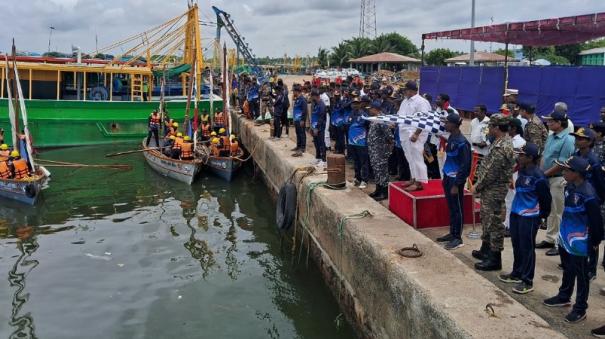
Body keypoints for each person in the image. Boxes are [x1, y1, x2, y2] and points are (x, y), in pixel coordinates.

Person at [543, 156, 602, 324]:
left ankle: (580, 308)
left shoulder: (588, 195)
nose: (564, 172)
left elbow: (596, 222)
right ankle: (564, 295)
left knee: (582, 275)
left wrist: (594, 243)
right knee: (568, 269)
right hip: (565, 236)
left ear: (578, 173)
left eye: (567, 170)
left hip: (580, 242)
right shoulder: (569, 186)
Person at [498, 143, 552, 294]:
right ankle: (517, 273)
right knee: (516, 244)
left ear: (530, 158)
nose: (518, 157)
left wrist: (541, 217)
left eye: (522, 155)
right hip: (516, 213)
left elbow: (546, 200)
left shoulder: (539, 177)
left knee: (527, 248)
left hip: (529, 217)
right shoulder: (521, 170)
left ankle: (527, 280)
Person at [471, 114, 515, 271]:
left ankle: (495, 258)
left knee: (494, 223)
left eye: (491, 126)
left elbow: (491, 172)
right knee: (486, 219)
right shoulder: (499, 142)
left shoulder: (502, 146)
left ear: (497, 128)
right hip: (490, 189)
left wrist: (477, 186)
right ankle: (485, 250)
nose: (488, 129)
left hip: (494, 189)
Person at [536, 109, 576, 256]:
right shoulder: (552, 136)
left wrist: (543, 175)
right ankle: (550, 238)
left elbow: (562, 163)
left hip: (558, 178)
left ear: (560, 123)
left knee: (559, 211)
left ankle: (560, 244)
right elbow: (545, 156)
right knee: (551, 210)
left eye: (551, 121)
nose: (548, 123)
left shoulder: (568, 139)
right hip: (547, 177)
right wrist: (541, 173)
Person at [570, 127, 605, 280]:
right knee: (578, 232)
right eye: (576, 137)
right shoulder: (575, 156)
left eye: (581, 138)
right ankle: (577, 260)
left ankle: (591, 269)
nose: (577, 140)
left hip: (590, 201)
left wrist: (597, 203)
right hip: (576, 199)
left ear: (590, 142)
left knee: (591, 235)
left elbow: (600, 185)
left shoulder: (594, 161)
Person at [436, 112, 471, 250]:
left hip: (456, 180)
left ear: (454, 125)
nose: (445, 125)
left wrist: (457, 184)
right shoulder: (451, 137)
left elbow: (465, 166)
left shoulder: (462, 143)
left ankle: (458, 238)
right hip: (448, 177)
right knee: (451, 207)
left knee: (457, 209)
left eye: (447, 123)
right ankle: (452, 233)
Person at [396, 81, 432, 190]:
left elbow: (425, 119)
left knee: (417, 158)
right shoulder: (404, 101)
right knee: (410, 157)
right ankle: (413, 178)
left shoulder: (421, 102)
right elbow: (400, 115)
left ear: (411, 90)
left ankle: (419, 183)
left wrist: (416, 134)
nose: (403, 92)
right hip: (404, 133)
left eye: (405, 90)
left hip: (415, 134)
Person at [367, 101, 394, 201]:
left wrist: (388, 149)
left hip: (380, 150)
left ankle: (384, 192)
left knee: (382, 171)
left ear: (375, 109)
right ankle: (378, 189)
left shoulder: (382, 119)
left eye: (370, 108)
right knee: (376, 170)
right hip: (374, 150)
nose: (369, 110)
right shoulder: (375, 119)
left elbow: (389, 136)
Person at [504, 118, 527, 230]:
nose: (507, 128)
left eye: (509, 126)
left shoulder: (520, 142)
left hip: (514, 174)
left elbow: (519, 161)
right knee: (508, 199)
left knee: (512, 198)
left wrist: (510, 172)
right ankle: (507, 223)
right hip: (509, 172)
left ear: (514, 128)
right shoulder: (511, 140)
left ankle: (510, 225)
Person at [348, 97, 370, 188]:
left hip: (361, 142)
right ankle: (357, 178)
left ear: (360, 104)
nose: (355, 105)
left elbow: (368, 127)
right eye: (354, 103)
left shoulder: (364, 115)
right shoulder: (351, 114)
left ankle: (364, 180)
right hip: (352, 141)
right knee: (356, 161)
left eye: (357, 103)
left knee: (363, 161)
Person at [469, 104, 490, 185]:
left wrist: (483, 144)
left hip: (483, 152)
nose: (475, 112)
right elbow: (471, 134)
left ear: (483, 112)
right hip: (473, 150)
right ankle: (470, 188)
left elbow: (489, 138)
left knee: (479, 172)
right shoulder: (473, 121)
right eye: (474, 111)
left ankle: (476, 189)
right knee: (472, 171)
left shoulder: (488, 122)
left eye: (477, 111)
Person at [310, 89, 327, 167]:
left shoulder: (321, 105)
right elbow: (313, 116)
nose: (312, 98)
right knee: (316, 143)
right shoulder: (315, 104)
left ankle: (324, 160)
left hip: (320, 128)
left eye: (312, 96)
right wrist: (311, 127)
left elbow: (321, 118)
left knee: (321, 143)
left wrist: (317, 128)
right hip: (314, 126)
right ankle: (318, 157)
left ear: (315, 96)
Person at [291, 84, 308, 157]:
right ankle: (298, 146)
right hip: (296, 119)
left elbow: (304, 111)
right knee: (298, 133)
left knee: (302, 133)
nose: (293, 93)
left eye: (294, 91)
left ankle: (302, 147)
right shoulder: (297, 99)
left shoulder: (302, 99)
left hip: (300, 120)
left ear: (297, 91)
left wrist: (302, 120)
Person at [320, 87, 332, 151]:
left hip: (326, 115)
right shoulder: (320, 96)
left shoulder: (325, 96)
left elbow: (327, 107)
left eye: (321, 88)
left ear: (324, 89)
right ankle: (324, 144)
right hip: (322, 115)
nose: (320, 89)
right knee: (323, 130)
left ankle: (328, 145)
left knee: (326, 130)